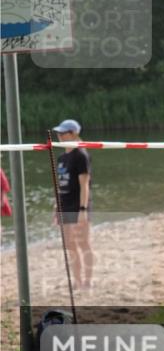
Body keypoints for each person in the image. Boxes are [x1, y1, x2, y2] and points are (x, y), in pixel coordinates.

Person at [53, 119, 94, 292]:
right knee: (69, 245)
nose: (59, 136)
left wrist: (83, 210)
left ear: (73, 133)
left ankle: (88, 281)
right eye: (59, 133)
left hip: (79, 205)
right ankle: (76, 281)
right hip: (65, 205)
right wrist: (56, 207)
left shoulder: (81, 155)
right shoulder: (61, 158)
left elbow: (85, 185)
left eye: (63, 133)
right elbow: (60, 185)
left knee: (83, 243)